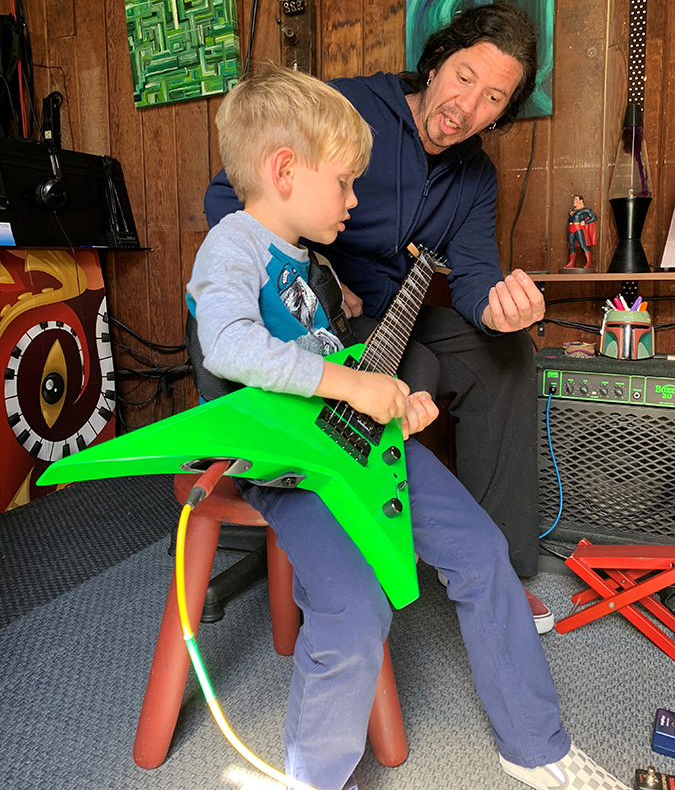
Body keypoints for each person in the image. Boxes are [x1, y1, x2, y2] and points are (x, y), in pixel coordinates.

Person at [186, 64, 629, 790]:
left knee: (483, 552)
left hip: (359, 446)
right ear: (284, 171)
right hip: (289, 468)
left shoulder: (313, 266)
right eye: (343, 183)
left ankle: (534, 745)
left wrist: (394, 400)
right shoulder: (232, 246)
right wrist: (354, 385)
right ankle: (314, 778)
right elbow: (231, 346)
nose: (354, 201)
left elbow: (331, 360)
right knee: (352, 610)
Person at [203, 3, 551, 633]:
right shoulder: (349, 107)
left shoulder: (476, 176)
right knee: (412, 370)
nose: (468, 106)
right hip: (328, 317)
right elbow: (230, 193)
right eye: (465, 77)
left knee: (508, 355)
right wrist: (318, 272)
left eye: (493, 98)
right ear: (437, 60)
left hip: (409, 310)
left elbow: (474, 278)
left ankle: (497, 566)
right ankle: (374, 542)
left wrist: (501, 311)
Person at [562, 194, 598, 271]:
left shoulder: (586, 210)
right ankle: (571, 263)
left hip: (578, 228)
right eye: (574, 199)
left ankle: (588, 262)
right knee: (571, 246)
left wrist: (585, 222)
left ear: (581, 201)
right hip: (571, 228)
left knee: (583, 245)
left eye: (576, 199)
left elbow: (594, 217)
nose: (574, 201)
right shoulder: (573, 211)